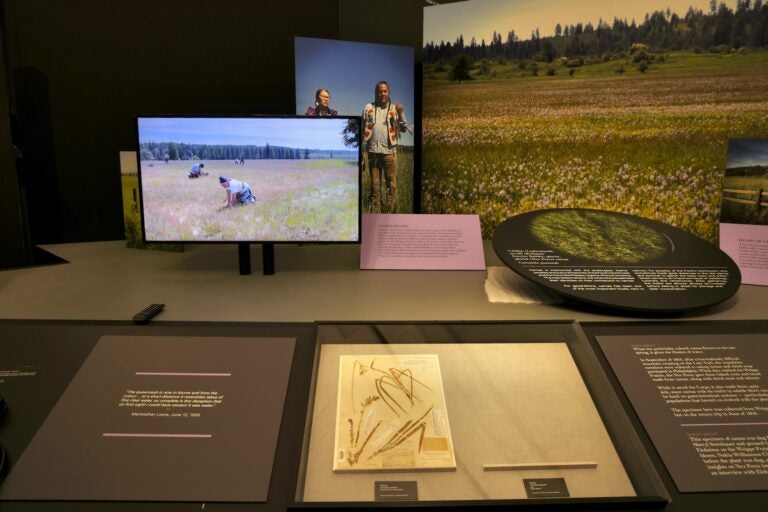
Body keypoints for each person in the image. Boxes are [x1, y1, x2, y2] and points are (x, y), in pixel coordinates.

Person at [362, 81, 408, 212]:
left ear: (389, 93)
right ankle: (375, 211)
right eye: (379, 91)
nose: (382, 94)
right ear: (375, 93)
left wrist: (402, 112)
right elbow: (362, 127)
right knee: (375, 186)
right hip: (373, 152)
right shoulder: (368, 107)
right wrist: (361, 152)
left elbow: (404, 129)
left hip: (389, 152)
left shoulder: (395, 109)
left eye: (384, 91)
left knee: (391, 185)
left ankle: (388, 211)